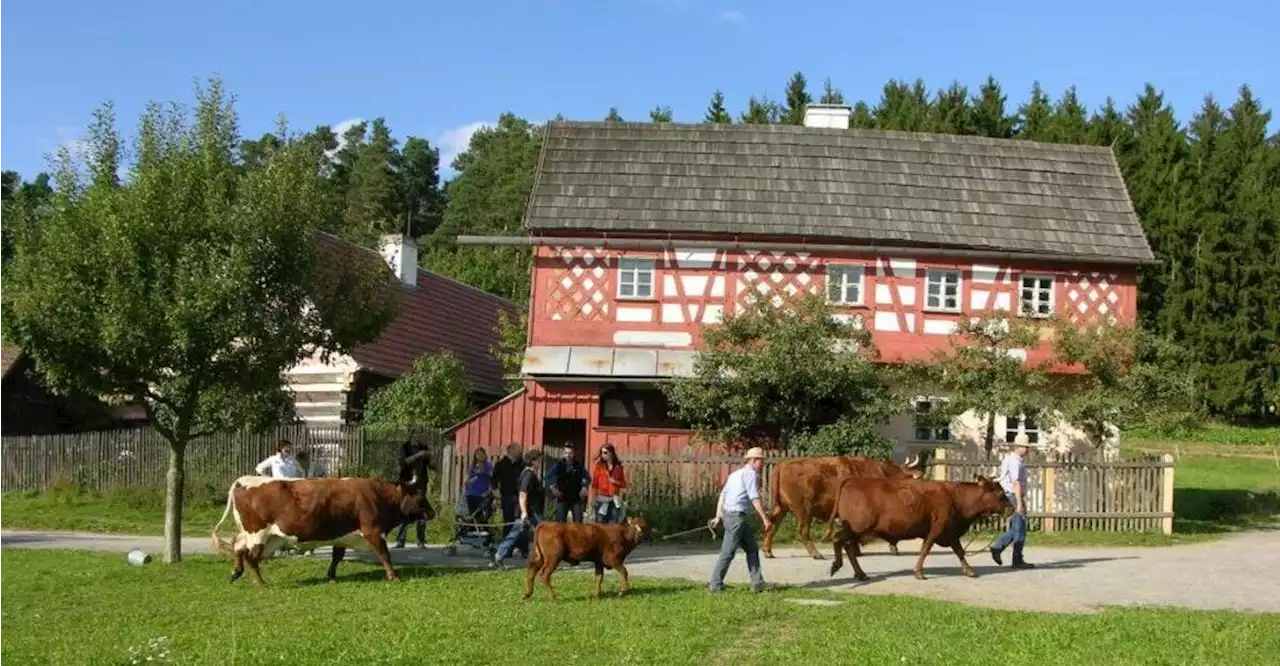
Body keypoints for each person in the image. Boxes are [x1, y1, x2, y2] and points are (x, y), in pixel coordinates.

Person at [707, 447, 771, 593]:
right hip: (737, 518)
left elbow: (723, 495)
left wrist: (718, 515)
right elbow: (754, 497)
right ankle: (715, 584)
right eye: (761, 461)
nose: (762, 464)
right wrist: (765, 519)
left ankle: (757, 583)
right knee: (727, 552)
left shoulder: (735, 474)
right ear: (754, 461)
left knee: (752, 549)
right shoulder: (750, 474)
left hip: (732, 516)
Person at [490, 448, 545, 569]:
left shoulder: (528, 473)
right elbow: (522, 494)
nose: (540, 464)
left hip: (532, 511)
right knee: (541, 531)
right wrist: (524, 512)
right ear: (533, 461)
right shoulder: (528, 475)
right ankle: (498, 556)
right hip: (530, 511)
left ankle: (499, 556)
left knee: (518, 534)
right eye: (539, 461)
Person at [990, 433, 1035, 569]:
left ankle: (998, 547)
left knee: (1017, 527)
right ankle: (1016, 559)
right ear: (1019, 446)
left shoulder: (1010, 458)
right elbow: (1016, 483)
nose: (1027, 450)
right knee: (1020, 528)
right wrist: (1020, 503)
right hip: (1013, 496)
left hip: (1011, 495)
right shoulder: (1015, 461)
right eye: (1026, 447)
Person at [393, 425, 435, 549]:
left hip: (421, 482)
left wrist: (432, 457)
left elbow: (432, 466)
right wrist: (419, 455)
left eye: (421, 433)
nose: (420, 435)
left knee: (421, 510)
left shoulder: (424, 447)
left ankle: (420, 540)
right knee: (405, 509)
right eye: (417, 433)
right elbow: (404, 462)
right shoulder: (405, 447)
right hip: (407, 482)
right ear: (412, 434)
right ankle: (401, 540)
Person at [492, 442, 527, 557]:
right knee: (508, 522)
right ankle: (507, 549)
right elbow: (493, 479)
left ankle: (521, 549)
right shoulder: (501, 464)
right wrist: (495, 489)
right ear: (511, 450)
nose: (520, 452)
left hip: (518, 496)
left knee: (519, 522)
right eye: (518, 449)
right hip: (506, 496)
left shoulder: (521, 464)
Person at [545, 443, 589, 523]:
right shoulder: (558, 464)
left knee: (578, 523)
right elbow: (548, 477)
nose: (568, 455)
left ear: (573, 453)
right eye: (566, 453)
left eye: (570, 453)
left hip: (576, 497)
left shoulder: (578, 465)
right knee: (560, 523)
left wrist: (584, 488)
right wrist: (553, 489)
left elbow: (587, 477)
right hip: (562, 497)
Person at [589, 443, 627, 524]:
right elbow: (594, 484)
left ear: (611, 453)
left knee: (613, 524)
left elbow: (624, 484)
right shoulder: (599, 466)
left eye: (605, 452)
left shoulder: (618, 467)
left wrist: (615, 482)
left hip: (614, 499)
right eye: (602, 453)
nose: (603, 455)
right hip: (601, 499)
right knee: (600, 523)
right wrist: (593, 499)